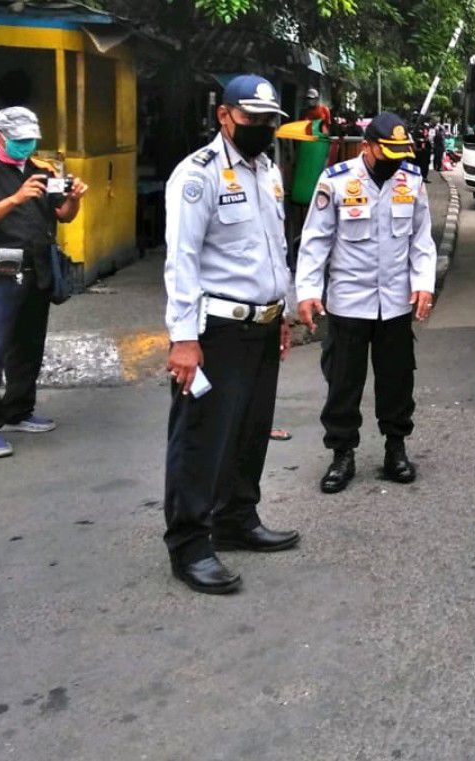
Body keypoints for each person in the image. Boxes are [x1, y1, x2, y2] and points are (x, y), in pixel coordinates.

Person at [162, 74, 300, 594]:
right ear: (224, 116)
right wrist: (183, 339)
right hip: (215, 330)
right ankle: (189, 545)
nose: (262, 127)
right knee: (201, 439)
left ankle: (237, 518)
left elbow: (274, 248)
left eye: (270, 120)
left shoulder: (267, 170)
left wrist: (282, 312)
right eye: (252, 118)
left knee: (249, 429)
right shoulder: (197, 176)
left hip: (261, 325)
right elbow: (182, 260)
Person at [295, 111, 437, 493]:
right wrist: (308, 291)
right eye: (387, 151)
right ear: (369, 146)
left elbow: (421, 240)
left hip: (395, 302)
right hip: (349, 301)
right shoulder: (337, 181)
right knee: (343, 382)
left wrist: (424, 284)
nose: (395, 160)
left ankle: (396, 448)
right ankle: (342, 453)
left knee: (397, 380)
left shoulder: (411, 180)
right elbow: (316, 240)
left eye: (400, 152)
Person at [0, 107, 87, 459]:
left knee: (28, 346)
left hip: (38, 269)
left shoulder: (42, 170)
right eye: (18, 140)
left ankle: (18, 410)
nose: (25, 145)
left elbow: (64, 215)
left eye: (30, 139)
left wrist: (73, 198)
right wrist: (15, 199)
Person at [410, 118, 431, 183]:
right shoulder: (415, 130)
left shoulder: (418, 129)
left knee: (422, 165)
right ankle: (420, 177)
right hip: (419, 151)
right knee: (420, 164)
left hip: (421, 151)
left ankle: (423, 177)